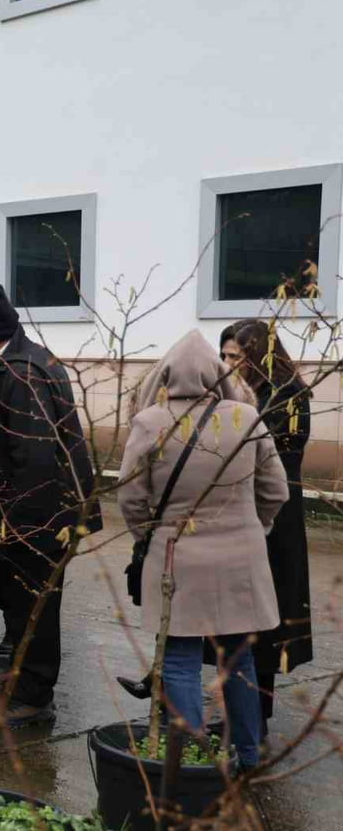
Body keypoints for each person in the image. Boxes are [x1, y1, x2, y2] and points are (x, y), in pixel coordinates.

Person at [118, 329, 288, 770]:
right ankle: (249, 757)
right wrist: (255, 527)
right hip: (240, 560)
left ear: (166, 375)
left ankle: (190, 764)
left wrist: (148, 538)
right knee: (239, 662)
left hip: (177, 559)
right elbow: (277, 491)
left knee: (178, 662)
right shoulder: (247, 418)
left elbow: (131, 498)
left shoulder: (150, 422)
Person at [0, 284, 101, 726]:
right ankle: (21, 680)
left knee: (35, 606)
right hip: (39, 513)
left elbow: (34, 457)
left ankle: (34, 697)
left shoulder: (21, 376)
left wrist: (18, 525)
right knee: (26, 606)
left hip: (37, 518)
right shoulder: (28, 362)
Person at [222, 320, 313, 737]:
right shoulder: (236, 393)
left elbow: (276, 462)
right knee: (237, 620)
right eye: (223, 356)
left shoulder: (287, 397)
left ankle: (254, 716)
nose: (227, 365)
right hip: (241, 514)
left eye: (235, 357)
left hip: (274, 521)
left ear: (257, 356)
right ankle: (243, 713)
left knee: (265, 617)